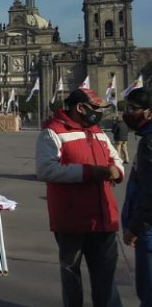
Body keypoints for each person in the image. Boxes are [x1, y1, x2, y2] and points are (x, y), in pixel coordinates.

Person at [35, 88, 124, 307]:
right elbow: (46, 169)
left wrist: (117, 171)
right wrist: (89, 172)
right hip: (71, 219)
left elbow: (116, 158)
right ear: (80, 108)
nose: (98, 113)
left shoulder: (98, 132)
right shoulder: (52, 132)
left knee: (106, 277)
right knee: (71, 274)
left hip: (103, 217)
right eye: (95, 108)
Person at [121, 88, 152, 305]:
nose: (128, 112)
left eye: (133, 108)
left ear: (149, 113)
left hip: (148, 229)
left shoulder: (150, 142)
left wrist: (135, 226)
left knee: (148, 292)